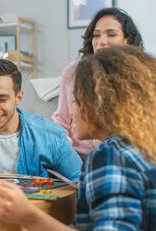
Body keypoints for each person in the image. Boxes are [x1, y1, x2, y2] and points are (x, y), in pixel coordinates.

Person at [0, 46, 156, 231]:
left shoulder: (110, 156)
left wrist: (28, 215)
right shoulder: (140, 149)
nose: (70, 111)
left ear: (100, 103)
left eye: (75, 99)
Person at [52, 8, 144, 158]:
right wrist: (64, 153)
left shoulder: (140, 75)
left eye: (111, 34)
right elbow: (61, 120)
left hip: (119, 156)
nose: (101, 42)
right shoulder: (73, 71)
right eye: (96, 35)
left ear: (127, 40)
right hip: (75, 155)